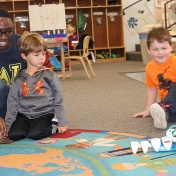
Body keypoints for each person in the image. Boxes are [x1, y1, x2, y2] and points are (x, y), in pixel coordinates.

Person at [5, 31, 68, 140]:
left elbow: (58, 99)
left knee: (36, 134)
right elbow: (12, 103)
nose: (41, 58)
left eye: (43, 54)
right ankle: (28, 127)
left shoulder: (49, 75)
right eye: (36, 55)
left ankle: (54, 125)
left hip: (44, 114)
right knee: (14, 134)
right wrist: (8, 126)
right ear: (24, 56)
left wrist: (62, 121)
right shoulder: (18, 79)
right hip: (24, 115)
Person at [132, 27, 176, 129]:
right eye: (155, 49)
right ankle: (164, 114)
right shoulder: (150, 68)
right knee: (170, 117)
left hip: (169, 104)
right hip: (171, 107)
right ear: (149, 50)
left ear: (171, 47)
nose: (160, 52)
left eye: (164, 48)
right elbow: (151, 89)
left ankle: (165, 110)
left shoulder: (175, 62)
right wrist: (148, 109)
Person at [0, 9, 26, 137]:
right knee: (2, 87)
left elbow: (41, 75)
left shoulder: (23, 44)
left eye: (8, 31)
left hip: (20, 99)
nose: (3, 37)